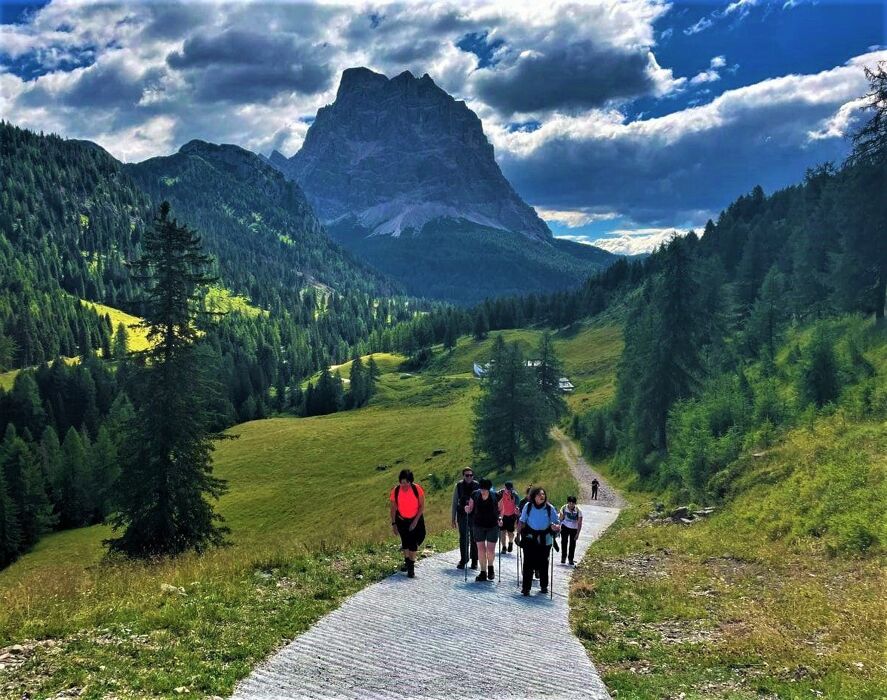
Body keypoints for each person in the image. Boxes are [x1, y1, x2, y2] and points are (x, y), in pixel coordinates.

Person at [516, 487, 560, 596]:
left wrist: (556, 527)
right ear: (534, 496)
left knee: (544, 562)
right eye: (539, 494)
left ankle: (544, 586)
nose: (542, 496)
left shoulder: (550, 508)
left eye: (543, 494)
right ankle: (526, 588)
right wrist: (518, 532)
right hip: (530, 538)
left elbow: (557, 524)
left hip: (545, 539)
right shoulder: (528, 506)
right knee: (528, 563)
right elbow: (522, 520)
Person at [390, 469, 426, 578]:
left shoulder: (417, 489)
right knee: (406, 542)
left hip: (416, 518)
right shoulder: (396, 491)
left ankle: (409, 562)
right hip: (401, 520)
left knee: (419, 537)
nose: (404, 485)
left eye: (406, 482)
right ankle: (410, 566)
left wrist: (415, 522)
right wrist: (394, 524)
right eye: (402, 482)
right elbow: (393, 509)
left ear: (411, 482)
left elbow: (422, 506)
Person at [465, 478, 500, 582]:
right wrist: (467, 509)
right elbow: (470, 508)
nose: (483, 491)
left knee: (490, 550)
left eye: (485, 489)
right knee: (481, 549)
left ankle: (490, 567)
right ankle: (483, 572)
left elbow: (501, 509)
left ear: (489, 489)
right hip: (478, 525)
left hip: (492, 525)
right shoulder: (475, 494)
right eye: (481, 488)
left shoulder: (495, 496)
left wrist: (500, 518)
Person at [451, 467, 479, 569]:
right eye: (467, 475)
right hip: (462, 515)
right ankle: (464, 559)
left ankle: (474, 560)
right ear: (463, 476)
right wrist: (453, 518)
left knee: (474, 538)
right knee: (463, 538)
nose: (469, 477)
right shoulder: (458, 486)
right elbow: (454, 503)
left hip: (474, 516)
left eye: (471, 475)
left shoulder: (477, 485)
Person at [559, 496, 583, 565]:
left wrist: (577, 534)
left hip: (574, 529)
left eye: (573, 503)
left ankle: (570, 559)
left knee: (572, 544)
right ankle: (563, 557)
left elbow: (579, 523)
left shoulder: (578, 511)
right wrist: (558, 529)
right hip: (565, 527)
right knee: (564, 542)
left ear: (575, 503)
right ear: (567, 502)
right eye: (570, 503)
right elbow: (560, 519)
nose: (571, 505)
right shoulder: (564, 508)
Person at [498, 480, 520, 552]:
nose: (508, 490)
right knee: (502, 532)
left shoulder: (514, 495)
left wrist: (517, 508)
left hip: (511, 516)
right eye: (507, 488)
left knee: (510, 533)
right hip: (502, 516)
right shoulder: (500, 493)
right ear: (504, 487)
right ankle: (504, 547)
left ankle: (510, 543)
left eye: (510, 489)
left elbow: (517, 504)